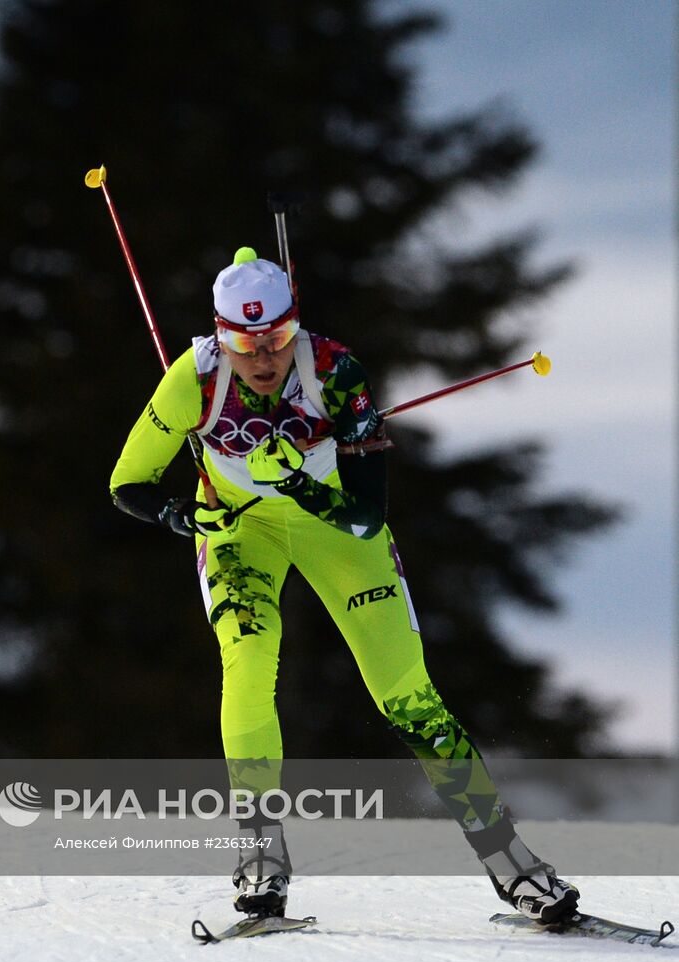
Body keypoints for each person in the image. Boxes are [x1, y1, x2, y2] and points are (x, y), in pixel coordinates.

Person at [108, 247, 579, 923]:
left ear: (292, 326)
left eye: (275, 339)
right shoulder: (193, 379)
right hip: (242, 530)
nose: (264, 360)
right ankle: (261, 860)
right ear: (220, 338)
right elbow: (127, 484)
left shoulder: (333, 370)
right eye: (246, 345)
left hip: (332, 526)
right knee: (247, 664)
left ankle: (513, 867)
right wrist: (183, 516)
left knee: (407, 696)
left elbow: (367, 517)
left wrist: (297, 477)